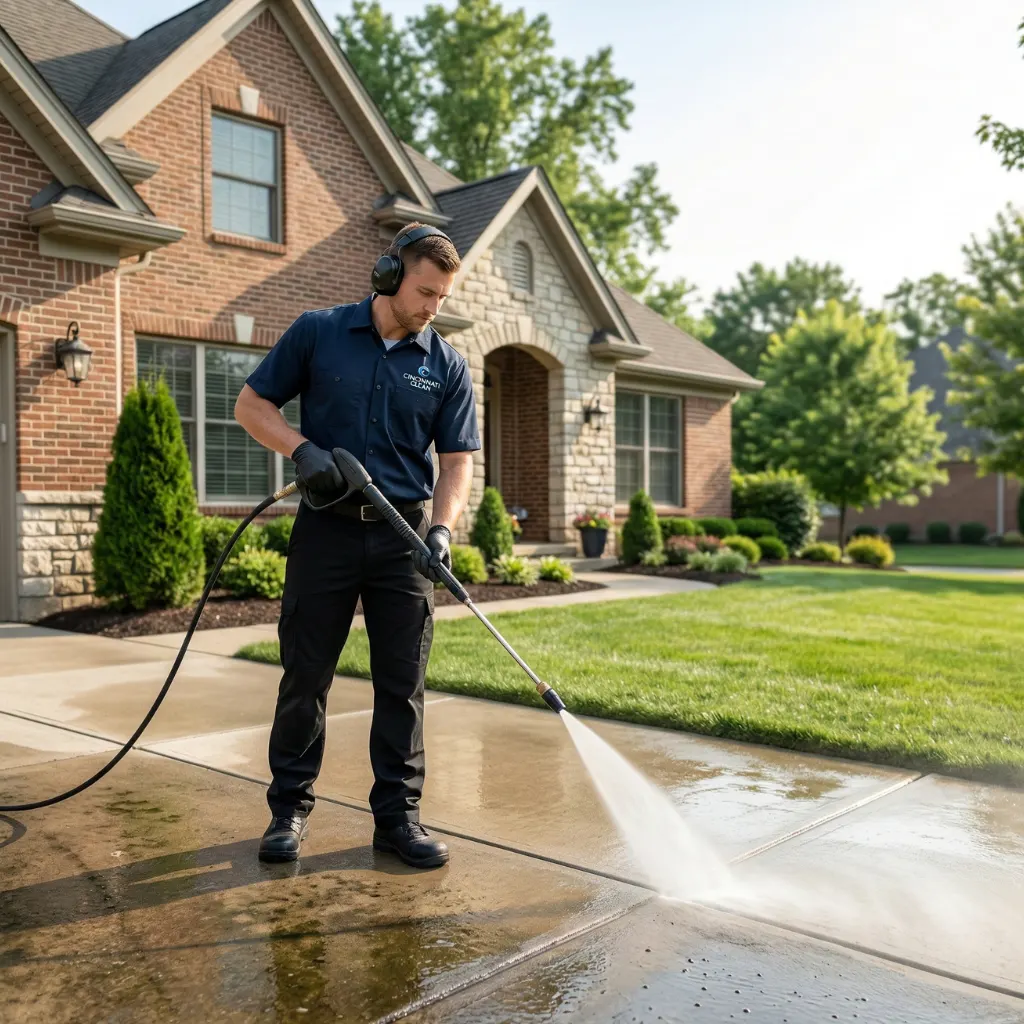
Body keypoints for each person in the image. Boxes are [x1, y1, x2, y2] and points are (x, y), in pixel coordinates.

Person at [234, 224, 479, 868]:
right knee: (305, 676)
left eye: (442, 298)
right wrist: (301, 449)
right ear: (388, 273)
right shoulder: (318, 333)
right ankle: (289, 809)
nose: (432, 308)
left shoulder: (446, 365)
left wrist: (443, 530)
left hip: (405, 541)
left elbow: (456, 462)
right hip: (328, 532)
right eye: (425, 291)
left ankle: (398, 820)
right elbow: (251, 404)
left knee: (403, 685)